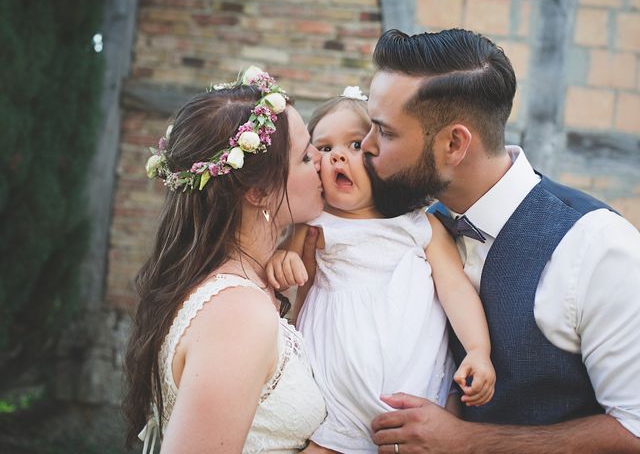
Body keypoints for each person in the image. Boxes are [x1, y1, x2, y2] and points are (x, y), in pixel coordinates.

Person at [356, 29, 640, 452]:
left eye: (386, 132)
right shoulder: (412, 228)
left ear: (454, 143)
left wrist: (468, 441)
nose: (366, 146)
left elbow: (634, 430)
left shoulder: (597, 245)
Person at [266, 88, 495, 453]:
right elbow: (294, 275)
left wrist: (478, 350)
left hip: (415, 399)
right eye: (323, 149)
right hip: (334, 406)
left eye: (355, 145)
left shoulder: (420, 226)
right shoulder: (314, 227)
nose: (338, 155)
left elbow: (455, 289)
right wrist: (286, 258)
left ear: (382, 156)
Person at [122, 66, 328, 453]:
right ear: (256, 192)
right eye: (304, 156)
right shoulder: (238, 312)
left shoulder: (245, 286)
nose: (322, 159)